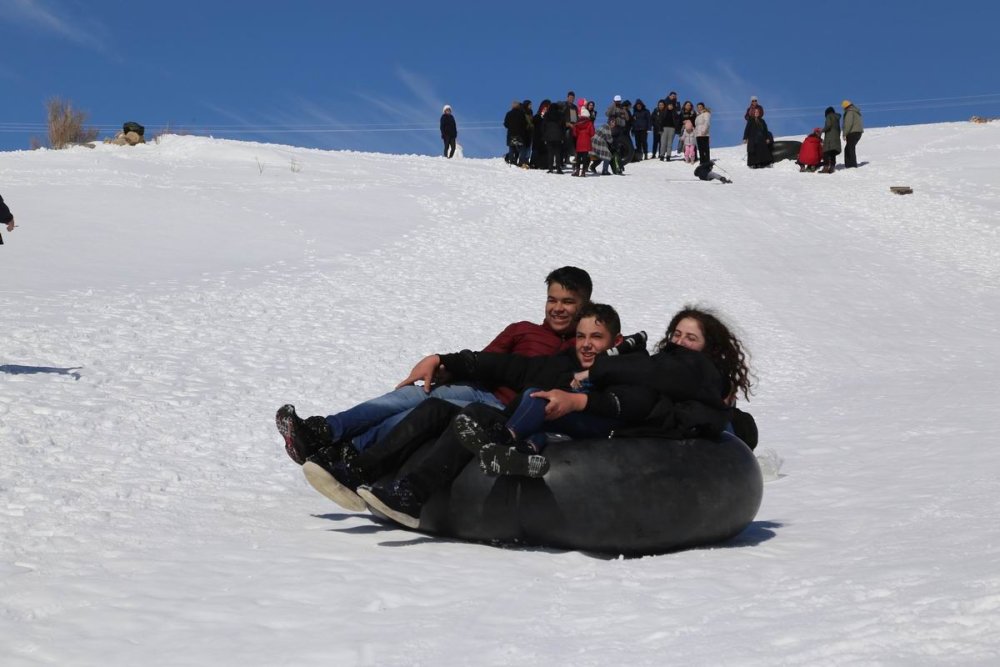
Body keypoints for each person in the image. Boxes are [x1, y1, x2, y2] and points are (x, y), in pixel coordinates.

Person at [355, 306, 745, 528]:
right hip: (573, 418)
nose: (679, 342)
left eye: (690, 337)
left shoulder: (685, 373)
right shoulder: (636, 364)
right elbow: (509, 366)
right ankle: (405, 491)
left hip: (616, 436)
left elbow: (645, 402)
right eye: (676, 334)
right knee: (472, 410)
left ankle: (503, 442)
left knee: (526, 400)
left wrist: (588, 389)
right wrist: (448, 361)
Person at [276, 267, 594, 465]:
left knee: (416, 413)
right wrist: (447, 371)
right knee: (406, 396)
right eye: (553, 300)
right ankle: (321, 431)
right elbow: (486, 360)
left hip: (502, 408)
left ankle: (347, 450)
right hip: (479, 388)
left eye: (568, 302)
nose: (558, 308)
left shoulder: (583, 348)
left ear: (584, 305)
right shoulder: (522, 329)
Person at [571, 107, 595, 177]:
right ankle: (583, 172)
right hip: (586, 142)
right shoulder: (590, 123)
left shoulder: (577, 123)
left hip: (579, 141)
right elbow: (592, 133)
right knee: (585, 158)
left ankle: (577, 171)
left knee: (578, 157)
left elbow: (574, 133)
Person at [503, 100, 527, 166]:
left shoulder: (508, 113)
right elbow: (524, 124)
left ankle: (511, 161)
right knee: (521, 148)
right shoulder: (521, 114)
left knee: (512, 148)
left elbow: (505, 124)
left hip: (511, 134)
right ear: (518, 106)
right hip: (519, 134)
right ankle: (521, 162)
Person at [842, 100, 863, 168]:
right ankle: (850, 165)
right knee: (849, 148)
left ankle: (852, 165)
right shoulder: (855, 111)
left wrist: (845, 133)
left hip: (852, 132)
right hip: (858, 132)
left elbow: (848, 123)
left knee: (850, 148)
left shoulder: (849, 112)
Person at [821, 106, 842, 174]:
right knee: (833, 153)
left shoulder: (829, 116)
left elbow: (828, 125)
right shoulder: (836, 119)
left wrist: (822, 130)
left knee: (826, 152)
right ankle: (832, 167)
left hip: (830, 138)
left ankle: (826, 167)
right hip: (836, 138)